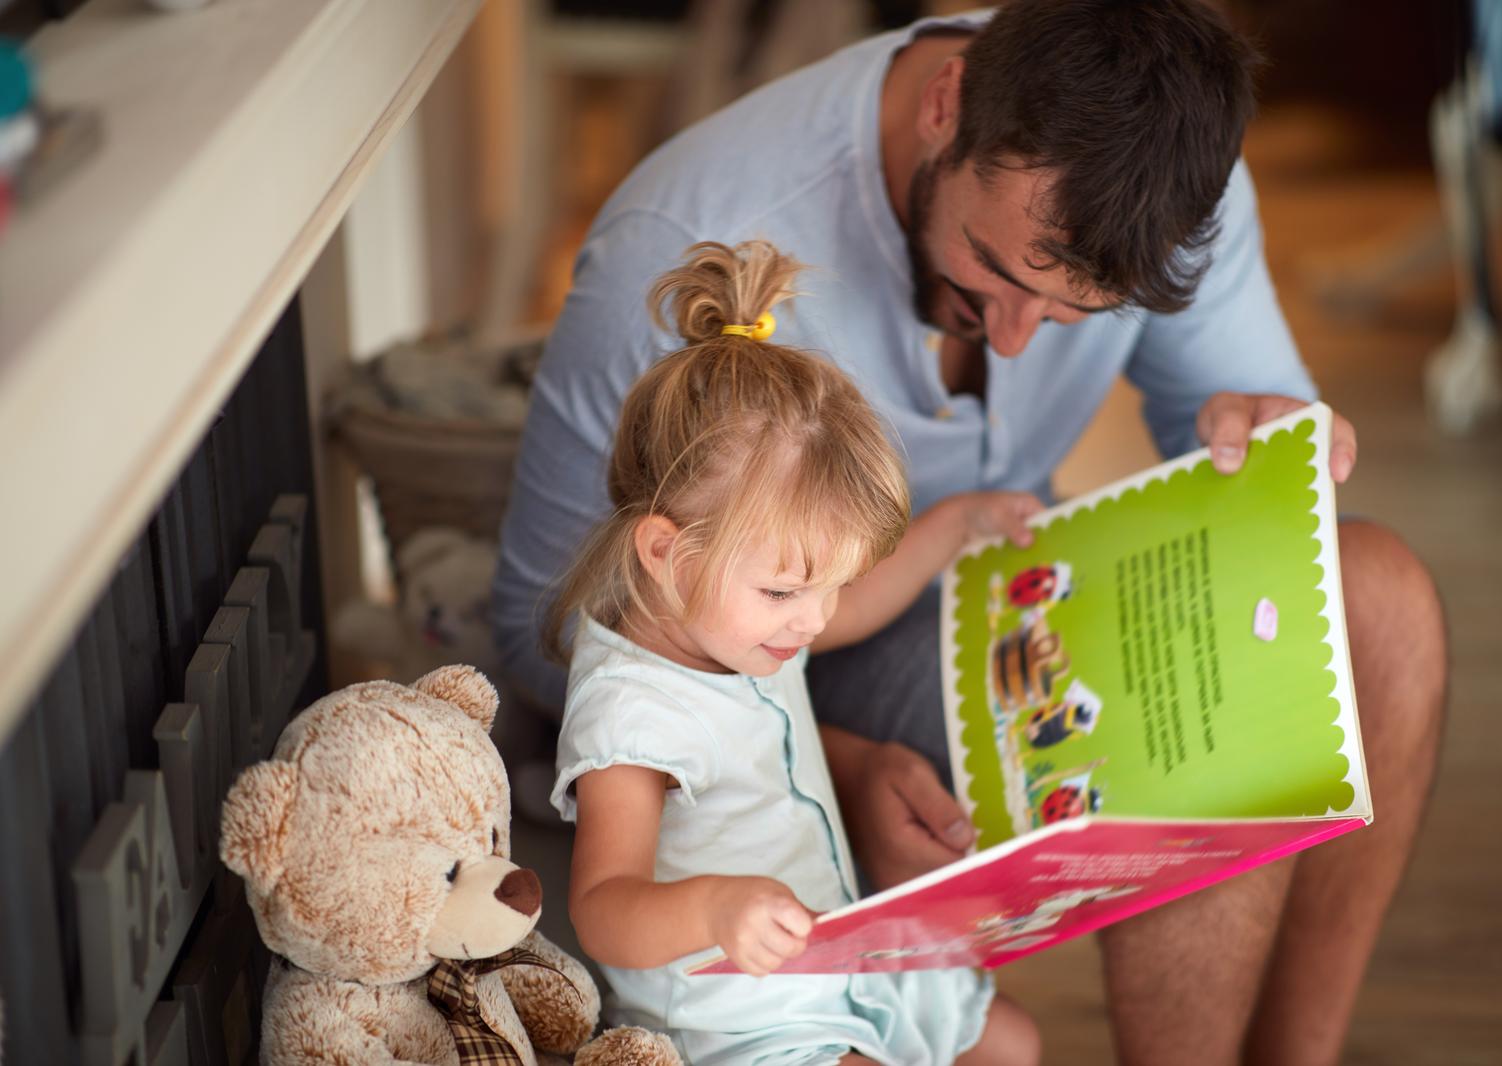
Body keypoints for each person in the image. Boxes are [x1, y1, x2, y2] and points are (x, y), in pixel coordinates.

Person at [495, 3, 1447, 1062]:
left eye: (1072, 314)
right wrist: (836, 762)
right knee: (1209, 733)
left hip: (957, 583)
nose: (1013, 337)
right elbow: (540, 621)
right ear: (945, 109)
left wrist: (1265, 442)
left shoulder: (1169, 178)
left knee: (1381, 594)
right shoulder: (682, 242)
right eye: (990, 274)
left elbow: (1252, 450)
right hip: (789, 662)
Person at [548, 239, 1041, 1065]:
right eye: (786, 593)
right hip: (742, 1010)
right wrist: (714, 909)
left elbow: (856, 603)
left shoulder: (741, 622)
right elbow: (602, 905)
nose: (813, 622)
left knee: (1014, 1044)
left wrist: (956, 528)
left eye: (828, 587)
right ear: (665, 551)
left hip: (843, 953)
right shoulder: (632, 713)